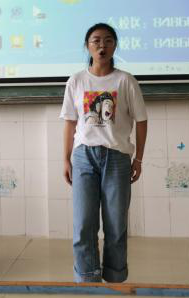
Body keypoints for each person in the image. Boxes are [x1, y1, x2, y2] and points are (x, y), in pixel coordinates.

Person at [60, 23, 148, 283]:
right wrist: (65, 159)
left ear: (115, 46)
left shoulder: (125, 81)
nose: (102, 45)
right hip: (83, 157)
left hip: (117, 158)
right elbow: (70, 122)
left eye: (108, 40)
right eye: (96, 40)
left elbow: (141, 120)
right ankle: (87, 277)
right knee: (83, 224)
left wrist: (138, 159)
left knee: (116, 224)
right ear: (87, 46)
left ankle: (115, 276)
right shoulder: (76, 80)